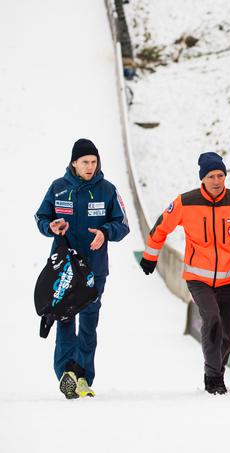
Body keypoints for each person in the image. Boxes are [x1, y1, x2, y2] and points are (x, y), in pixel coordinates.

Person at [140, 152, 230, 395]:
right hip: (198, 278)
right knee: (212, 320)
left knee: (229, 330)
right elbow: (161, 227)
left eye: (221, 175)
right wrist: (150, 256)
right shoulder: (185, 202)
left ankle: (217, 370)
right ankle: (213, 377)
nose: (217, 181)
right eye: (211, 176)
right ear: (202, 178)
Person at [35, 138, 130, 399]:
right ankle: (66, 374)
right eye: (85, 162)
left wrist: (104, 231)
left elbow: (123, 224)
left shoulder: (107, 190)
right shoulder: (58, 188)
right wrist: (50, 227)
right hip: (63, 269)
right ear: (74, 163)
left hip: (94, 270)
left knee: (89, 322)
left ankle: (83, 377)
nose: (90, 166)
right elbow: (41, 217)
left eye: (94, 162)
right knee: (64, 319)